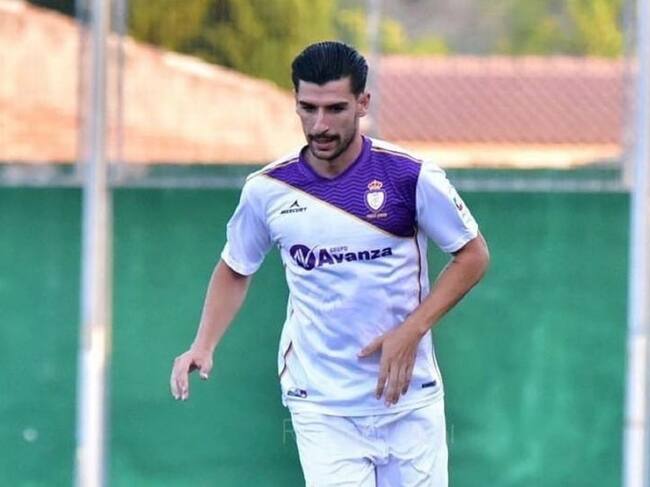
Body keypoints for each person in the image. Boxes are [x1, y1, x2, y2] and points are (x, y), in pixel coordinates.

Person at [170, 41, 489, 486]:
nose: (319, 124)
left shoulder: (410, 177)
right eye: (308, 108)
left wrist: (412, 330)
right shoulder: (268, 190)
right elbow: (235, 267)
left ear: (363, 103)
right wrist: (203, 344)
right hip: (320, 404)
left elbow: (473, 255)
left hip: (408, 400)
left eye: (335, 108)